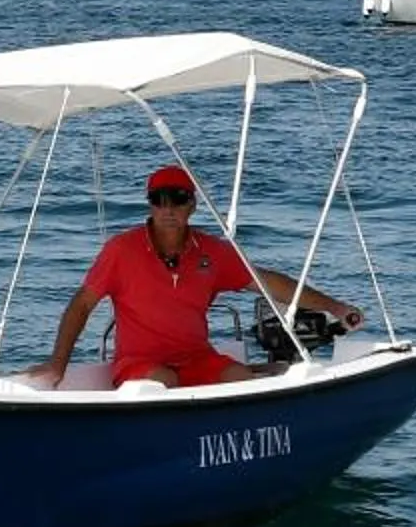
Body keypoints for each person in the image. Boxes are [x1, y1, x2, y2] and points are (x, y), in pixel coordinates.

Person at [27, 163, 367, 389]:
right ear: (150, 205)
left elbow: (268, 282)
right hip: (140, 363)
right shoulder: (121, 250)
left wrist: (335, 307)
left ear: (192, 205)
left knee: (242, 381)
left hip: (197, 358)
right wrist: (59, 364)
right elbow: (81, 306)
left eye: (178, 199)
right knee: (163, 384)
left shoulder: (211, 251)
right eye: (159, 200)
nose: (168, 209)